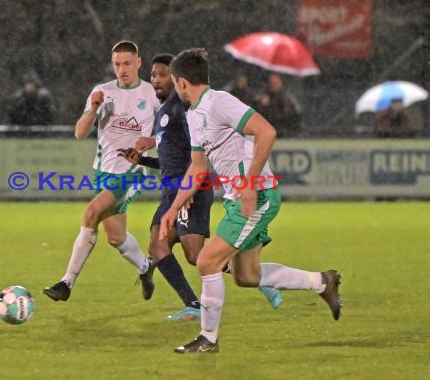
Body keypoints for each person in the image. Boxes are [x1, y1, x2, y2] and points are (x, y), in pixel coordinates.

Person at [160, 48, 342, 353]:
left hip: (255, 196)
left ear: (180, 83)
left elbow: (266, 132)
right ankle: (322, 282)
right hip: (239, 199)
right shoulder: (194, 116)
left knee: (207, 261)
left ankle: (208, 338)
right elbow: (198, 167)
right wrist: (174, 208)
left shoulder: (220, 101)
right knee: (247, 275)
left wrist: (248, 182)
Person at [117, 54, 281, 321]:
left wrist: (188, 193)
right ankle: (194, 303)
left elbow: (197, 161)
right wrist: (144, 158)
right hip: (173, 189)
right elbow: (173, 159)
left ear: (179, 81)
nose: (156, 80)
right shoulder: (165, 113)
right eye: (154, 75)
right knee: (160, 245)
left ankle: (255, 281)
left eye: (162, 75)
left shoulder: (187, 111)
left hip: (186, 189)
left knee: (198, 256)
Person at [43, 40, 158, 302]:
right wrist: (94, 108)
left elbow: (169, 129)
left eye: (127, 63)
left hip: (133, 171)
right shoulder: (102, 92)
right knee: (115, 238)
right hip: (104, 171)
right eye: (117, 64)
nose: (122, 69)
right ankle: (145, 267)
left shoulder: (151, 94)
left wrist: (152, 142)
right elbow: (80, 133)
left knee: (91, 212)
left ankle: (66, 283)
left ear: (138, 63)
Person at [257, 73, 301, 138]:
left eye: (275, 83)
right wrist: (262, 104)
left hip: (284, 133)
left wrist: (269, 105)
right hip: (269, 131)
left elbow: (286, 116)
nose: (272, 86)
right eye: (271, 83)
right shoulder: (266, 95)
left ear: (281, 83)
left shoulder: (286, 98)